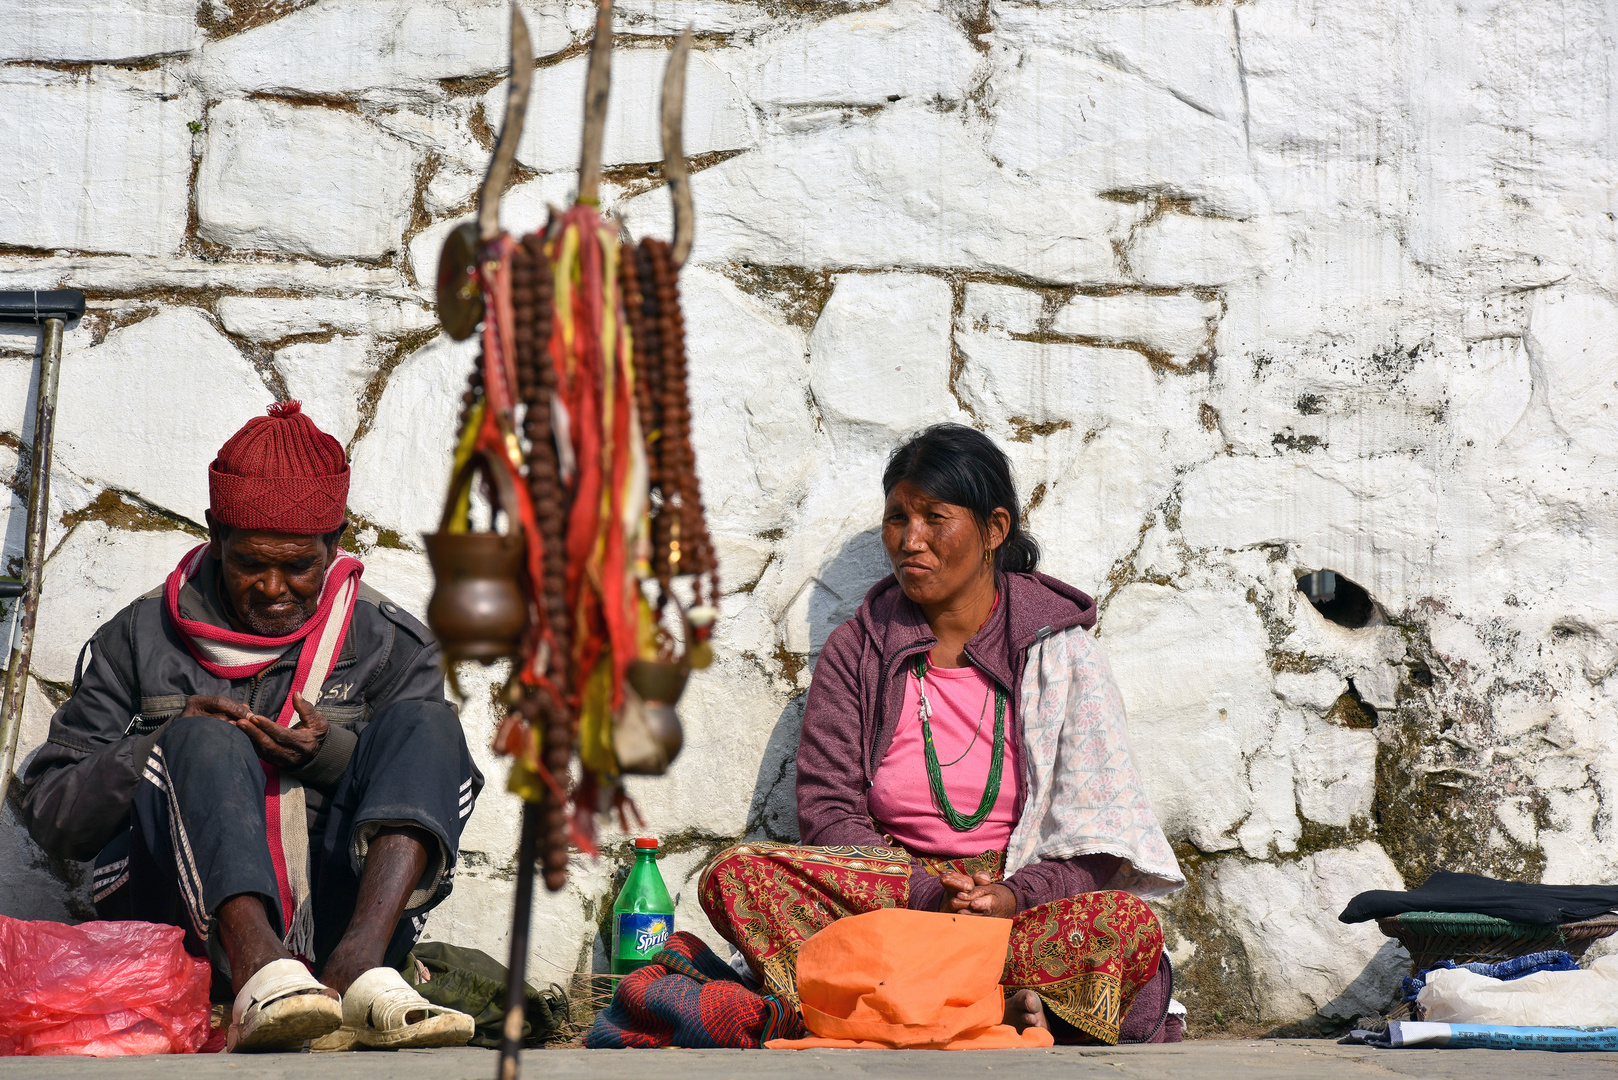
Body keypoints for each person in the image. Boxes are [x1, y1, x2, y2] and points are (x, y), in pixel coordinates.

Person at [699, 423, 1186, 1045]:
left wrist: (1011, 897)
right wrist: (928, 895)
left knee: (1124, 923)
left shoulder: (1060, 652)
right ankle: (992, 1003)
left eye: (935, 517)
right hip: (896, 900)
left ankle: (909, 1001)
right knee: (737, 873)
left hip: (1015, 907)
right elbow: (826, 810)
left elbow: (1099, 834)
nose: (911, 540)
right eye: (897, 518)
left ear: (994, 530)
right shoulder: (859, 649)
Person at [20, 401, 480, 1053]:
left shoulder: (391, 644)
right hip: (179, 913)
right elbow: (52, 814)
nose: (272, 587)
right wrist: (160, 749)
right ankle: (263, 975)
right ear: (215, 533)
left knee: (431, 729)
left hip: (341, 917)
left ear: (335, 541)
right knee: (201, 739)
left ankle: (360, 973)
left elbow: (421, 783)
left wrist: (326, 758)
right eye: (250, 564)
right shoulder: (140, 635)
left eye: (298, 566)